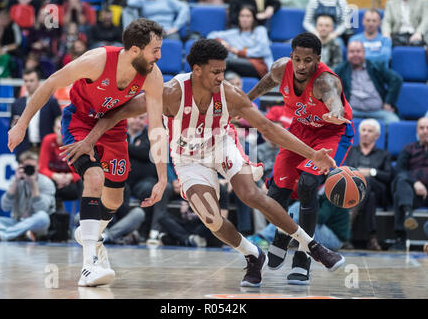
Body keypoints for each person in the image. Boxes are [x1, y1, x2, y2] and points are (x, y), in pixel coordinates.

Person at [60, 38, 346, 288]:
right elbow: (116, 115)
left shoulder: (230, 94)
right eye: (216, 71)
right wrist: (90, 139)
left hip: (222, 144)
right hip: (187, 157)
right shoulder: (171, 92)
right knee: (211, 219)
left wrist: (312, 154)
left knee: (251, 194)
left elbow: (269, 128)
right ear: (197, 70)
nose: (222, 77)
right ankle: (252, 254)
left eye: (223, 70)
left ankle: (313, 247)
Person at [7, 19, 168, 287]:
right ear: (135, 50)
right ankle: (89, 264)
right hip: (80, 122)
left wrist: (162, 177)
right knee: (94, 179)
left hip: (115, 130)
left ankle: (89, 233)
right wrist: (22, 124)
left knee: (114, 201)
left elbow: (156, 130)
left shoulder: (153, 75)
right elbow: (49, 83)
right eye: (155, 50)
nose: (160, 56)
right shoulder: (97, 61)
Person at [247, 32, 353, 285]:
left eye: (308, 60)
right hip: (301, 130)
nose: (302, 66)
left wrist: (335, 114)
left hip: (332, 134)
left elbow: (334, 102)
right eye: (297, 59)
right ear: (291, 56)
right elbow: (264, 84)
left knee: (307, 185)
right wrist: (245, 101)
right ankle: (283, 233)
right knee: (275, 194)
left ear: (318, 59)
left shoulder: (325, 81)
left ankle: (304, 258)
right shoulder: (280, 69)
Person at [0, 151, 55, 242]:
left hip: (36, 225)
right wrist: (15, 182)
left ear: (38, 166)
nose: (29, 170)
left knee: (43, 217)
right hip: (17, 222)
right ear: (20, 166)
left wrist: (33, 184)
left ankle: (2, 235)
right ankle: (20, 234)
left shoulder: (46, 183)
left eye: (32, 167)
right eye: (26, 167)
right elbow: (5, 207)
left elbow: (41, 209)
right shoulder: (16, 181)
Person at [344, 118, 393, 251]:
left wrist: (372, 172)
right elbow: (343, 171)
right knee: (369, 196)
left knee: (368, 181)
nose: (365, 133)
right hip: (353, 190)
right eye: (363, 130)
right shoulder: (351, 151)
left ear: (377, 136)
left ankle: (349, 220)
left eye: (369, 131)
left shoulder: (384, 154)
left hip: (380, 191)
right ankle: (372, 238)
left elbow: (388, 177)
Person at [124, 113, 173, 244]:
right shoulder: (120, 134)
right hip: (124, 181)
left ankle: (149, 232)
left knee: (150, 189)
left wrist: (127, 147)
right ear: (127, 118)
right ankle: (127, 231)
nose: (137, 121)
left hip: (144, 181)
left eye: (141, 118)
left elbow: (146, 152)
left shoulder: (151, 135)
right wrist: (136, 149)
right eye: (134, 117)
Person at [334, 41, 402, 125]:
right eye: (352, 52)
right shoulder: (340, 70)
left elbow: (396, 80)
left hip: (377, 111)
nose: (355, 54)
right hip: (352, 112)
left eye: (358, 51)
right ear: (347, 54)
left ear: (364, 53)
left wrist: (388, 102)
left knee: (394, 122)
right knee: (333, 123)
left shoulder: (375, 66)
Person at [390, 117, 428, 251]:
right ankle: (406, 218)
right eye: (422, 128)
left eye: (427, 128)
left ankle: (408, 214)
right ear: (417, 131)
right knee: (400, 182)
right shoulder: (409, 148)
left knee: (400, 192)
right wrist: (416, 183)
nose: (425, 131)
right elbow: (399, 170)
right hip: (412, 194)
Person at [208, 5, 274, 78]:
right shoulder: (233, 33)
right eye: (242, 16)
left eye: (248, 16)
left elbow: (262, 50)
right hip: (238, 65)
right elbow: (211, 35)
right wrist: (221, 42)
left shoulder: (260, 30)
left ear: (253, 18)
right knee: (229, 75)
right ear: (238, 18)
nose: (244, 19)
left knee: (225, 62)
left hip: (259, 66)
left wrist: (239, 52)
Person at [9, 68, 61, 160]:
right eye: (26, 81)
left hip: (46, 146)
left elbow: (59, 123)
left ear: (38, 82)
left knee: (45, 172)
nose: (28, 84)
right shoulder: (17, 104)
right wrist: (14, 125)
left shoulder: (51, 102)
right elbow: (11, 127)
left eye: (31, 80)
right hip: (25, 147)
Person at [38, 116, 83, 213]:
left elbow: (83, 171)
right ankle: (46, 222)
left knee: (84, 182)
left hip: (71, 184)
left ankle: (85, 217)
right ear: (54, 129)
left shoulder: (76, 143)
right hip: (53, 183)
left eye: (64, 128)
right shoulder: (48, 140)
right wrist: (55, 176)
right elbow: (41, 168)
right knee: (40, 182)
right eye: (59, 128)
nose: (61, 132)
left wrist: (70, 177)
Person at [125, 0, 189, 40]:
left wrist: (176, 27)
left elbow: (184, 8)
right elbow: (130, 2)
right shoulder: (143, 1)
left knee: (174, 42)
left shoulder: (168, 0)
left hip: (168, 31)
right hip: (149, 32)